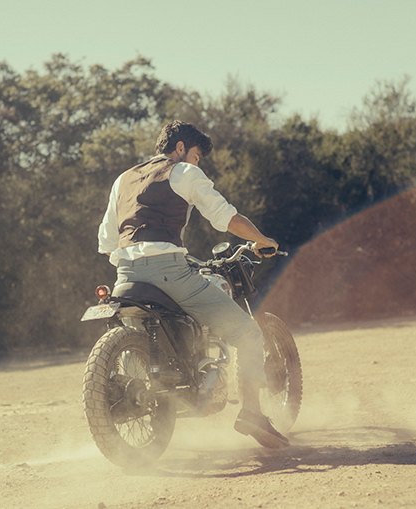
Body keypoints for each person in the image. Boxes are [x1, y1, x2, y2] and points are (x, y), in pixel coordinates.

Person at [97, 120, 289, 448]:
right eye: (198, 155)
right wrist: (260, 238)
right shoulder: (183, 172)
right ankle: (253, 414)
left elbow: (106, 240)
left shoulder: (123, 179)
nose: (198, 163)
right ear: (182, 147)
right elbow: (224, 217)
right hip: (168, 270)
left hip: (125, 275)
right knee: (248, 332)